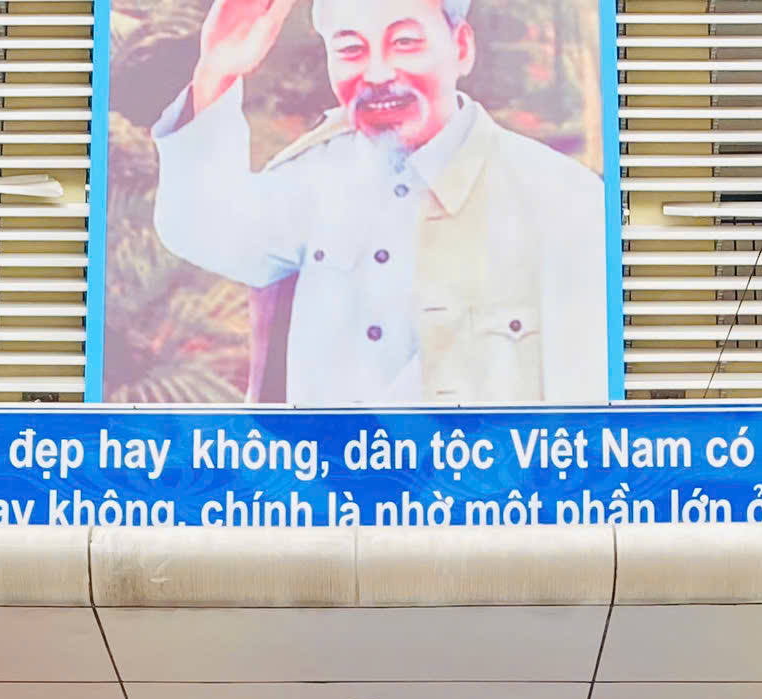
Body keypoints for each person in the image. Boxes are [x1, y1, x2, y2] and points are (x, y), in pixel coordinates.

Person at [148, 0, 606, 404]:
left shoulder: (564, 203)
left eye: (404, 42)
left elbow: (588, 417)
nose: (378, 74)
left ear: (461, 47)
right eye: (351, 49)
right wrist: (218, 72)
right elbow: (204, 230)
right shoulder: (315, 178)